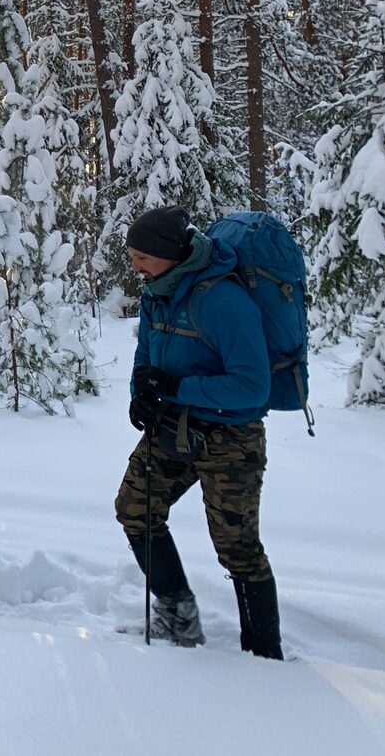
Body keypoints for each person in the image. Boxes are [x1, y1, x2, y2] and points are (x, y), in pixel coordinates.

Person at [115, 205, 280, 658]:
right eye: (132, 257)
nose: (135, 267)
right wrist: (141, 392)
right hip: (173, 423)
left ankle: (266, 658)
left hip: (231, 437)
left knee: (237, 548)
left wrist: (177, 386)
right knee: (135, 509)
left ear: (170, 254)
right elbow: (146, 356)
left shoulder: (223, 302)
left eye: (141, 257)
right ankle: (178, 618)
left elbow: (252, 386)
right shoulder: (156, 292)